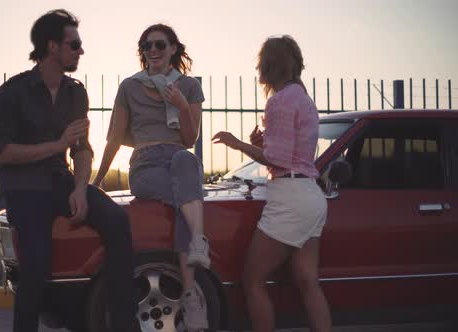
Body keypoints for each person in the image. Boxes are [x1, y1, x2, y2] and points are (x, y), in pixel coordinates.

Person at [0, 9, 138, 332]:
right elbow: (4, 154)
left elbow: (82, 149)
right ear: (52, 46)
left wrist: (81, 188)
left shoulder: (76, 93)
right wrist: (57, 146)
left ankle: (122, 323)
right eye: (74, 45)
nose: (81, 51)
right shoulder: (10, 95)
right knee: (37, 266)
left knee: (117, 220)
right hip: (25, 189)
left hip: (62, 183)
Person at [92, 24, 209, 331]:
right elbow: (115, 138)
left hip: (178, 159)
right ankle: (192, 283)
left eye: (159, 44)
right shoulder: (129, 87)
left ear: (173, 49)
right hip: (146, 165)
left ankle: (191, 277)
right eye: (147, 46)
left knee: (186, 160)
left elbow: (188, 138)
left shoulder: (190, 86)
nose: (153, 50)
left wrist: (182, 105)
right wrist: (96, 182)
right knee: (187, 199)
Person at [212, 35, 332, 332]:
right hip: (311, 197)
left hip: (289, 197)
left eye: (260, 64)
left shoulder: (278, 101)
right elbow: (290, 152)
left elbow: (275, 161)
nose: (257, 70)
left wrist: (237, 143)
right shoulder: (304, 99)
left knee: (252, 280)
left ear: (269, 66)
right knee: (307, 281)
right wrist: (263, 144)